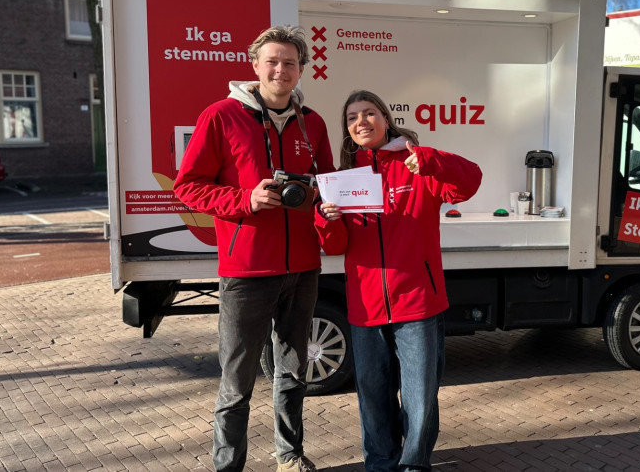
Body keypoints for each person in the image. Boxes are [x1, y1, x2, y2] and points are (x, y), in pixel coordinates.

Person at [173, 25, 334, 472]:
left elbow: (325, 186)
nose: (281, 69)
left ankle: (289, 454)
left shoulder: (313, 123)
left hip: (303, 267)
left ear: (301, 68)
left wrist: (329, 204)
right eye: (273, 61)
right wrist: (245, 200)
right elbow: (188, 187)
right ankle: (228, 467)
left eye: (290, 62)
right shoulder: (221, 116)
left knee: (294, 372)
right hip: (245, 271)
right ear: (255, 66)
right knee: (237, 381)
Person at [316, 90, 482, 471]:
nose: (361, 121)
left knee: (419, 396)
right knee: (373, 395)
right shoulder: (342, 180)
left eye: (369, 113)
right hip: (366, 306)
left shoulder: (418, 167)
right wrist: (327, 218)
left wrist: (428, 159)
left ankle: (413, 463)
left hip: (418, 302)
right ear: (348, 129)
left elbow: (469, 181)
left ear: (385, 119)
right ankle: (380, 462)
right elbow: (336, 245)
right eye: (353, 117)